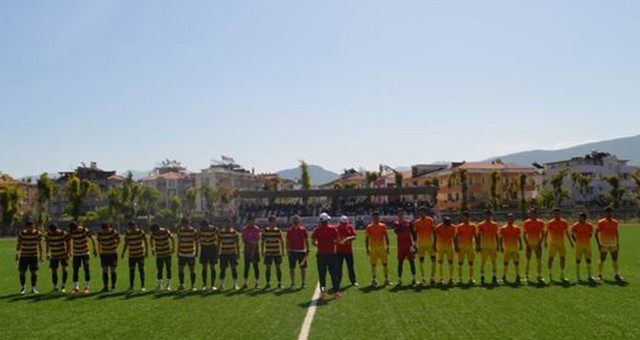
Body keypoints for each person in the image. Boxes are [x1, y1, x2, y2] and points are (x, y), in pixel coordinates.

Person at [311, 213, 341, 300]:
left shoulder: (317, 230)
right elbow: (338, 241)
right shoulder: (333, 229)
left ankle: (323, 292)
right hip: (332, 254)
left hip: (321, 255)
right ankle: (336, 292)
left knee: (322, 275)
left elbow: (313, 241)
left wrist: (319, 245)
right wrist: (332, 243)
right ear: (328, 220)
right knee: (334, 274)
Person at [596, 207, 625, 283]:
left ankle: (616, 275)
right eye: (608, 212)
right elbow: (596, 234)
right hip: (604, 244)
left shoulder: (615, 222)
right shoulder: (600, 222)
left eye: (610, 212)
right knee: (602, 259)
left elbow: (616, 232)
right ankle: (599, 275)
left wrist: (618, 243)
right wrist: (599, 244)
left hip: (613, 244)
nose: (609, 214)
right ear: (605, 213)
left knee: (615, 259)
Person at [547, 208, 574, 283]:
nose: (556, 214)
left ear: (560, 213)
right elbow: (547, 232)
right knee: (550, 258)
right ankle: (550, 274)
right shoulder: (550, 222)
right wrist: (545, 242)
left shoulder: (564, 222)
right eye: (555, 213)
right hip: (553, 243)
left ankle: (562, 274)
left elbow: (567, 232)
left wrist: (571, 242)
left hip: (562, 243)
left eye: (558, 213)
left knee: (562, 258)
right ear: (553, 214)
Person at [69, 222, 97, 294]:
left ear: (77, 227)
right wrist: (69, 251)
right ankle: (76, 287)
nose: (73, 231)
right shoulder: (71, 232)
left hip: (85, 253)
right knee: (75, 270)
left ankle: (87, 287)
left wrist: (94, 249)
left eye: (74, 230)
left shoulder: (84, 230)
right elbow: (68, 240)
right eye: (72, 230)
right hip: (76, 254)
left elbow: (92, 238)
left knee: (86, 269)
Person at [17, 221, 43, 295]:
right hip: (24, 255)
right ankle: (23, 287)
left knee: (34, 272)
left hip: (33, 255)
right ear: (26, 227)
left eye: (31, 226)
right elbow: (19, 243)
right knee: (22, 272)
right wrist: (17, 253)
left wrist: (41, 255)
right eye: (29, 227)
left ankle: (33, 288)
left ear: (34, 226)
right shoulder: (22, 233)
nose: (30, 228)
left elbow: (40, 245)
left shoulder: (38, 233)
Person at [121, 221, 148, 291]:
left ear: (135, 226)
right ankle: (131, 286)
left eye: (133, 227)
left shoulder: (140, 232)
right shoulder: (128, 233)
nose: (131, 229)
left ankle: (142, 286)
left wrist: (146, 251)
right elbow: (126, 243)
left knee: (141, 270)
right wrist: (123, 252)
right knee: (131, 270)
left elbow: (145, 241)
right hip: (132, 255)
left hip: (140, 254)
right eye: (130, 227)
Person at [365, 211, 390, 286]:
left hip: (382, 247)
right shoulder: (369, 227)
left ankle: (386, 279)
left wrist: (388, 247)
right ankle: (373, 279)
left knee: (385, 263)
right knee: (373, 264)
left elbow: (386, 236)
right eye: (374, 217)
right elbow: (366, 239)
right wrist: (367, 249)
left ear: (379, 217)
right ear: (372, 218)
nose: (376, 218)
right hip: (373, 248)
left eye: (377, 217)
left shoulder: (383, 226)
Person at [45, 223, 71, 293]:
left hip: (63, 254)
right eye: (52, 231)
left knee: (65, 270)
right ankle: (55, 286)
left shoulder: (63, 233)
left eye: (54, 231)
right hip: (54, 255)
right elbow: (47, 244)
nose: (53, 232)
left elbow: (68, 242)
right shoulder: (48, 235)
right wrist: (47, 253)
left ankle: (63, 286)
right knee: (54, 271)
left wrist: (68, 252)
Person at [393, 209, 417, 286]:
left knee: (411, 261)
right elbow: (396, 231)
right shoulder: (396, 223)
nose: (400, 215)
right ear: (397, 215)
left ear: (404, 214)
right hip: (400, 246)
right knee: (400, 262)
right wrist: (401, 224)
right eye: (399, 214)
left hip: (409, 245)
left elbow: (413, 233)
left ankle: (414, 278)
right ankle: (399, 279)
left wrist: (415, 244)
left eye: (402, 214)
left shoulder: (409, 223)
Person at [414, 207, 436, 285]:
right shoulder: (417, 222)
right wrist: (415, 244)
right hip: (421, 244)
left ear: (426, 212)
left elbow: (434, 232)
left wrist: (435, 243)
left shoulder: (430, 220)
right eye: (421, 212)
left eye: (424, 212)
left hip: (430, 244)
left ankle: (432, 277)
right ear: (420, 213)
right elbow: (415, 233)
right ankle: (423, 277)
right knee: (421, 261)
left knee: (433, 260)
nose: (422, 213)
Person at [523, 208, 545, 283]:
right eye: (531, 213)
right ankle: (526, 276)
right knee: (528, 260)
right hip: (529, 243)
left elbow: (543, 234)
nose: (532, 214)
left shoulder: (540, 222)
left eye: (534, 213)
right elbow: (524, 235)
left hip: (537, 244)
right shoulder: (526, 222)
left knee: (539, 260)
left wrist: (540, 243)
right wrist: (527, 244)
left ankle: (539, 275)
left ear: (536, 214)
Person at [286, 215, 310, 289]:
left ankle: (303, 283)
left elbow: (306, 240)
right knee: (292, 268)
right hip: (292, 252)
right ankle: (293, 283)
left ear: (299, 221)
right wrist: (288, 250)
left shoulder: (303, 229)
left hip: (302, 252)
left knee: (303, 268)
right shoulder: (289, 230)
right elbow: (287, 241)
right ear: (292, 221)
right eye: (294, 220)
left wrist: (307, 250)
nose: (296, 221)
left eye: (297, 220)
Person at [262, 216, 285, 289]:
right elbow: (262, 242)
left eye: (273, 222)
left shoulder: (278, 230)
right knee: (268, 268)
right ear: (269, 222)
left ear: (275, 222)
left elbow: (282, 241)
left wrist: (283, 251)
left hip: (277, 252)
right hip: (268, 252)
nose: (272, 223)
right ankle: (268, 283)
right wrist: (262, 251)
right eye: (271, 222)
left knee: (278, 267)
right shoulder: (265, 231)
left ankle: (279, 283)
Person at [150, 224, 175, 291]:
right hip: (159, 254)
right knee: (159, 269)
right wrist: (152, 248)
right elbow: (151, 239)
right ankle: (159, 285)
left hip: (167, 253)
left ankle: (169, 285)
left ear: (158, 229)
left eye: (155, 231)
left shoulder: (165, 231)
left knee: (168, 269)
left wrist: (173, 248)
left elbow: (172, 238)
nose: (154, 233)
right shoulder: (153, 233)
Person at [177, 218, 199, 291]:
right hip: (182, 253)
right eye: (183, 224)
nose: (184, 226)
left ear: (188, 223)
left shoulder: (193, 231)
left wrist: (196, 252)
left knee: (192, 270)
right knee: (180, 269)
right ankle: (181, 284)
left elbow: (196, 242)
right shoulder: (180, 231)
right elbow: (179, 241)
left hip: (190, 253)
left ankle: (193, 285)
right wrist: (178, 251)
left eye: (185, 224)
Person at [455, 212, 477, 285]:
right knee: (460, 263)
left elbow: (475, 236)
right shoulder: (459, 226)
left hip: (470, 247)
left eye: (467, 217)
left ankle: (471, 278)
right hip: (462, 247)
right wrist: (457, 246)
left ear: (469, 218)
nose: (466, 218)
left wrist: (477, 245)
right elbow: (457, 237)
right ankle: (460, 278)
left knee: (471, 263)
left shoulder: (473, 226)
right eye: (464, 217)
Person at [96, 222, 120, 292]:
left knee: (113, 270)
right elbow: (99, 243)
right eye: (104, 229)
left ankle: (113, 287)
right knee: (105, 270)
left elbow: (118, 240)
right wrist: (99, 252)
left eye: (106, 229)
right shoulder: (100, 234)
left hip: (113, 254)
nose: (105, 230)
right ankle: (105, 286)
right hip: (104, 254)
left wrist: (115, 246)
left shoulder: (113, 232)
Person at [572, 213, 595, 282]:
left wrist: (586, 239)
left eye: (581, 217)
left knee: (588, 260)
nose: (579, 219)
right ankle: (578, 276)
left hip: (587, 245)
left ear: (584, 218)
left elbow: (591, 234)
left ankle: (589, 275)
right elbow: (572, 234)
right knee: (578, 260)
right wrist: (576, 241)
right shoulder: (575, 225)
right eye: (579, 217)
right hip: (579, 245)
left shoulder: (589, 225)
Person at [477, 210, 499, 285]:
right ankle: (482, 276)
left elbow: (496, 235)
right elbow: (479, 236)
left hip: (493, 246)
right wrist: (478, 246)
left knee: (494, 262)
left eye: (489, 215)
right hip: (484, 246)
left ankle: (494, 276)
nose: (488, 216)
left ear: (491, 216)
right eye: (486, 215)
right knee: (483, 262)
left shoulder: (495, 224)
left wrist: (498, 246)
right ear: (484, 215)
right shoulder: (481, 224)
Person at [500, 214, 523, 284]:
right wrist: (501, 246)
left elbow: (519, 237)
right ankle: (504, 276)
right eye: (509, 218)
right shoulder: (503, 228)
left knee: (516, 263)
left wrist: (521, 245)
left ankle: (518, 276)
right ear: (507, 219)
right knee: (505, 263)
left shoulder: (517, 228)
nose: (511, 220)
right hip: (507, 248)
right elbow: (501, 238)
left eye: (512, 219)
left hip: (515, 248)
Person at [218, 218, 241, 290]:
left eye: (229, 223)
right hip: (223, 253)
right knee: (223, 269)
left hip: (232, 253)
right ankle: (221, 284)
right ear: (224, 224)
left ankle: (235, 284)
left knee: (233, 268)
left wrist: (238, 253)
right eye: (226, 223)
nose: (227, 224)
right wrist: (218, 253)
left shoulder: (234, 232)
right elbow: (219, 244)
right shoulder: (221, 232)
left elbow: (237, 244)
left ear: (231, 224)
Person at [336, 215, 358, 287]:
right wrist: (339, 241)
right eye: (343, 223)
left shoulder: (350, 227)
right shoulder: (336, 228)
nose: (344, 225)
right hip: (339, 251)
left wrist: (349, 238)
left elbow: (354, 235)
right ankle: (337, 282)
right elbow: (334, 238)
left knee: (350, 266)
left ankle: (353, 281)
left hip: (348, 250)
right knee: (339, 267)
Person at [199, 220, 220, 291]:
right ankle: (204, 285)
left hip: (212, 248)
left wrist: (216, 246)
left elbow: (219, 236)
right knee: (204, 267)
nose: (203, 228)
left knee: (212, 266)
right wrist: (201, 243)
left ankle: (213, 285)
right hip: (204, 248)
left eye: (204, 227)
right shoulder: (201, 229)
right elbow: (199, 237)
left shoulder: (214, 228)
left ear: (207, 226)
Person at [434, 217, 455, 285]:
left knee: (450, 262)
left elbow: (454, 237)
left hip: (449, 246)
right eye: (447, 223)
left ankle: (451, 278)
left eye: (449, 223)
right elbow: (435, 235)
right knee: (440, 262)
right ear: (443, 223)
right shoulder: (438, 227)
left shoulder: (453, 227)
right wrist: (434, 245)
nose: (448, 225)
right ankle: (441, 279)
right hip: (441, 246)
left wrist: (456, 245)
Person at [241, 216, 261, 289]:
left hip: (255, 251)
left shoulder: (256, 229)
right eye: (251, 221)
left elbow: (257, 239)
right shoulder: (244, 229)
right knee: (247, 267)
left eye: (253, 221)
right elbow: (244, 240)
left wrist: (252, 242)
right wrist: (250, 242)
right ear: (248, 222)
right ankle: (245, 283)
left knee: (256, 267)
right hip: (247, 251)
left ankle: (257, 283)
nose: (252, 222)